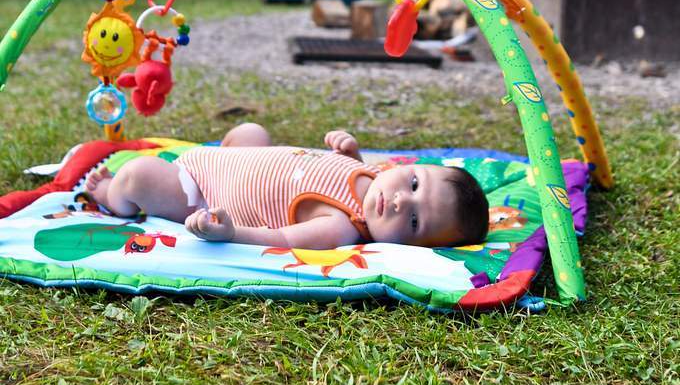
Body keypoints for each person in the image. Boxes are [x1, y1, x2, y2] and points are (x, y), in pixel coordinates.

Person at [84, 122, 489, 250]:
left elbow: (280, 237)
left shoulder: (342, 227)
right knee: (251, 130)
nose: (400, 200)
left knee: (136, 175)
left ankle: (110, 198)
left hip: (203, 192)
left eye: (415, 221)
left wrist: (230, 231)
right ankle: (227, 146)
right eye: (414, 182)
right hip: (229, 160)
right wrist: (350, 155)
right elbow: (346, 179)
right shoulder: (376, 176)